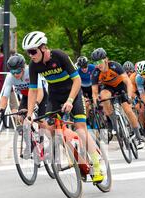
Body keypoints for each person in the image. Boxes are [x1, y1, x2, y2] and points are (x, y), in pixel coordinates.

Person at [22, 30, 104, 183]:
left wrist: (71, 100)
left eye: (33, 51)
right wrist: (29, 113)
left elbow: (77, 80)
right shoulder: (34, 65)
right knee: (52, 129)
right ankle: (72, 152)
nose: (31, 55)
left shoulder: (60, 56)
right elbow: (33, 90)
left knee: (80, 128)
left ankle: (97, 165)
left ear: (43, 48)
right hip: (54, 96)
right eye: (28, 52)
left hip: (73, 93)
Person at [90, 48, 145, 149]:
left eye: (99, 61)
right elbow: (94, 92)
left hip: (121, 86)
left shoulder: (115, 66)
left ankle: (138, 137)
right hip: (108, 88)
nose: (98, 64)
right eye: (95, 62)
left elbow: (128, 82)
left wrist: (128, 96)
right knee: (103, 97)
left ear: (106, 59)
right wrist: (96, 102)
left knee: (128, 110)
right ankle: (115, 125)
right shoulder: (95, 72)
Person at [0, 54, 48, 126]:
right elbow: (5, 96)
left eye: (18, 71)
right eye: (13, 72)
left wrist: (36, 103)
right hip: (26, 96)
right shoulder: (10, 77)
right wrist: (1, 109)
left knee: (41, 122)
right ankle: (28, 136)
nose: (15, 74)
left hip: (40, 95)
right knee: (21, 117)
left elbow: (40, 91)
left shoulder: (31, 71)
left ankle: (42, 134)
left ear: (23, 68)